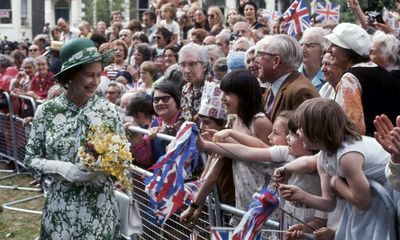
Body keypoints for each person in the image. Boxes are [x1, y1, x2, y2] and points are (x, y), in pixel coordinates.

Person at [24, 38, 124, 239]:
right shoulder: (47, 112)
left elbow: (123, 161)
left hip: (100, 212)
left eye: (98, 75)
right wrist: (60, 167)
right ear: (71, 75)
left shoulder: (110, 111)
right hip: (61, 212)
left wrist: (107, 166)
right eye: (89, 75)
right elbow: (31, 159)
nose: (96, 82)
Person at [276, 98, 397, 240]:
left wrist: (336, 183)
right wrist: (302, 196)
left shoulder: (347, 156)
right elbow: (329, 203)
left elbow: (364, 202)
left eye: (301, 127)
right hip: (377, 205)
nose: (297, 131)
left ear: (316, 130)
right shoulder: (324, 156)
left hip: (390, 198)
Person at [324, 22, 400, 136]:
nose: (329, 49)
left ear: (348, 51)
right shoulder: (381, 71)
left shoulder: (350, 79)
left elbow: (352, 128)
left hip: (363, 150)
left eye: (334, 45)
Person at [255, 34, 319, 122]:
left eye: (261, 55)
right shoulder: (274, 84)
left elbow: (304, 133)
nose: (257, 60)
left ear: (276, 61)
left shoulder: (300, 91)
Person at [126, 81, 185, 168]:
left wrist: (166, 131)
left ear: (176, 100)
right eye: (156, 100)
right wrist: (136, 138)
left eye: (165, 98)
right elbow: (146, 159)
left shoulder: (185, 120)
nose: (160, 103)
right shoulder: (155, 122)